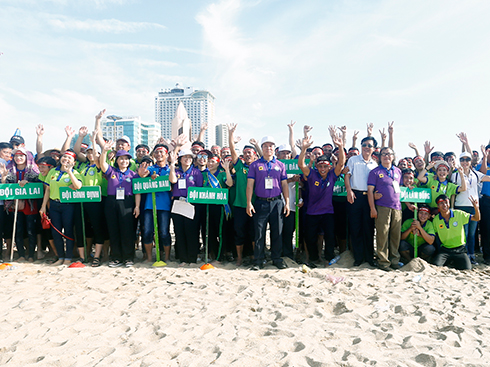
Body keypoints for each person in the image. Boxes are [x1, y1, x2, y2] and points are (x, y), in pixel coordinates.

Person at [298, 135, 345, 267]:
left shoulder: (332, 175)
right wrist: (303, 149)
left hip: (328, 212)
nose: (323, 169)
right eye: (320, 166)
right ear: (317, 167)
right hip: (312, 212)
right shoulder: (312, 174)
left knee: (329, 238)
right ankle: (313, 258)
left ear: (329, 167)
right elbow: (301, 164)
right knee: (310, 237)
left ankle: (328, 258)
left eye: (325, 166)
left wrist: (340, 147)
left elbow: (341, 163)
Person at [247, 136, 289, 270]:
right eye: (265, 146)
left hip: (277, 202)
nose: (268, 148)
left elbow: (284, 185)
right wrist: (249, 203)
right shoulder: (255, 165)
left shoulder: (280, 165)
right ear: (262, 148)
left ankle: (276, 259)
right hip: (261, 202)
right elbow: (249, 185)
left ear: (274, 149)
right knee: (259, 233)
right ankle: (258, 260)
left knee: (277, 232)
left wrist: (287, 202)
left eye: (271, 146)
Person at [99, 143, 140, 268]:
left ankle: (128, 257)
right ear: (117, 160)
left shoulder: (133, 174)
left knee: (127, 230)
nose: (124, 161)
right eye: (121, 158)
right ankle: (116, 257)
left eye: (127, 159)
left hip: (127, 202)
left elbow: (137, 192)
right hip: (111, 202)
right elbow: (102, 164)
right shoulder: (111, 171)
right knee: (113, 230)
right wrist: (104, 151)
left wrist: (137, 206)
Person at [39, 149, 83, 265]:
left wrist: (70, 172)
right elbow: (48, 189)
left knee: (68, 231)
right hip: (54, 205)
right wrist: (43, 206)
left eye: (69, 158)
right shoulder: (53, 171)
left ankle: (68, 258)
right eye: (64, 157)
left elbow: (78, 186)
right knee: (56, 232)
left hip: (68, 205)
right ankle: (60, 257)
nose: (66, 159)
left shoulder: (76, 173)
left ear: (73, 162)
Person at [0, 147, 40, 262]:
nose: (19, 158)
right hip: (14, 205)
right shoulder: (9, 169)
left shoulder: (33, 169)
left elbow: (39, 183)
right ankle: (21, 255)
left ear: (26, 157)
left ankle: (31, 255)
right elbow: (5, 187)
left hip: (30, 205)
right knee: (18, 229)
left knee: (30, 230)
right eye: (16, 156)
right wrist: (3, 178)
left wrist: (29, 183)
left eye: (21, 156)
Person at [227, 123, 258, 266]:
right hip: (239, 205)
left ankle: (253, 257)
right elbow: (232, 151)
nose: (247, 155)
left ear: (254, 155)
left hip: (255, 205)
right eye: (245, 153)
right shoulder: (239, 166)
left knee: (253, 233)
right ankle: (239, 258)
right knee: (239, 232)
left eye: (249, 153)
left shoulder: (259, 167)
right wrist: (231, 134)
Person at [367, 147, 403, 271]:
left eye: (389, 154)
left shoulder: (398, 171)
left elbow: (401, 188)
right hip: (382, 207)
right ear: (379, 156)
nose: (386, 156)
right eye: (383, 154)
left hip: (397, 207)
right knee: (382, 235)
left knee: (395, 235)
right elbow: (370, 191)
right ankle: (383, 262)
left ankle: (394, 260)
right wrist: (372, 208)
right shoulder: (375, 172)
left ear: (393, 156)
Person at [345, 136, 378, 267]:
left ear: (373, 149)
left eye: (369, 145)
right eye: (364, 145)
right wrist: (349, 191)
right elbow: (347, 176)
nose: (366, 147)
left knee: (369, 228)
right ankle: (358, 257)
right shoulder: (353, 160)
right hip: (355, 196)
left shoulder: (374, 164)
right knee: (355, 227)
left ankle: (369, 257)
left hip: (369, 199)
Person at [451, 151, 490, 264]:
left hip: (473, 207)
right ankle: (463, 256)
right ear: (460, 161)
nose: (465, 162)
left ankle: (471, 256)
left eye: (467, 159)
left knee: (472, 235)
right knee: (463, 234)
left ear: (470, 161)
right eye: (462, 159)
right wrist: (452, 208)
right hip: (460, 207)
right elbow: (453, 192)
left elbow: (488, 178)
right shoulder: (455, 174)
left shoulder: (475, 174)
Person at [139, 144, 174, 263]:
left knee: (164, 232)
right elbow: (141, 175)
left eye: (161, 152)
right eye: (156, 152)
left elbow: (173, 183)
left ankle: (167, 257)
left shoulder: (170, 170)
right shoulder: (150, 168)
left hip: (164, 205)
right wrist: (147, 174)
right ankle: (149, 257)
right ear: (153, 155)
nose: (159, 155)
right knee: (148, 231)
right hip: (150, 205)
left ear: (166, 155)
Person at [170, 149, 203, 265]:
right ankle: (183, 258)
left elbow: (199, 189)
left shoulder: (196, 173)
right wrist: (172, 165)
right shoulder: (176, 171)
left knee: (192, 232)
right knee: (179, 231)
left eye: (190, 157)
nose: (187, 159)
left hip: (192, 203)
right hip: (178, 203)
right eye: (185, 157)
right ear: (180, 159)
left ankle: (192, 258)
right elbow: (172, 180)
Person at [432, 194, 480, 270]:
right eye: (441, 203)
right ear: (438, 206)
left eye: (446, 202)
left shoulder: (459, 214)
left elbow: (476, 218)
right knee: (435, 266)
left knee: (467, 269)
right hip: (445, 250)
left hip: (460, 250)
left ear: (449, 204)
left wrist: (476, 208)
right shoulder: (436, 220)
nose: (444, 205)